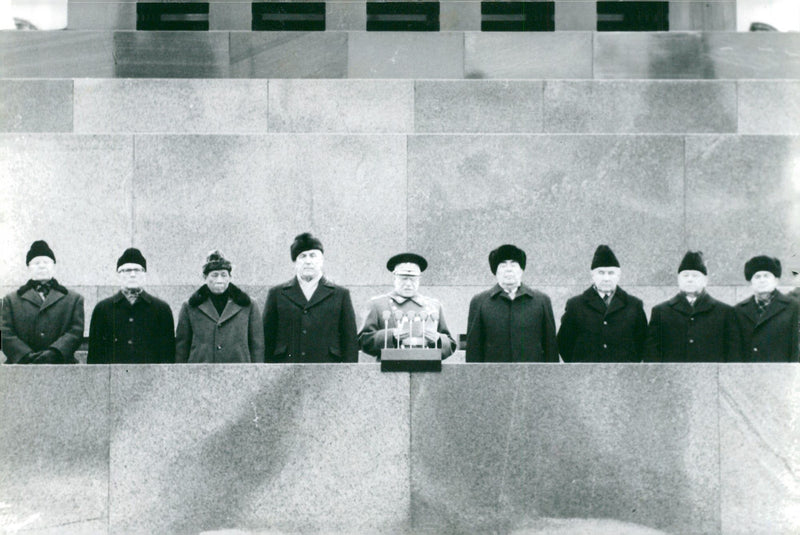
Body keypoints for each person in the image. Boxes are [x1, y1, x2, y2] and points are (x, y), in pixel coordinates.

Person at [263, 233, 358, 363]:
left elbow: (350, 341)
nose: (308, 261)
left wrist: (349, 374)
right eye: (302, 256)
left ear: (322, 260)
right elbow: (267, 339)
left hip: (327, 369)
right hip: (286, 369)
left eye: (313, 255)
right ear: (295, 262)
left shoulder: (340, 294)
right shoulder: (277, 294)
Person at [466, 244, 558, 362]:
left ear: (521, 270)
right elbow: (473, 348)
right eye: (503, 265)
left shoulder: (541, 301)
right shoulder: (480, 302)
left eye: (514, 265)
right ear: (495, 271)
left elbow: (551, 346)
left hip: (533, 375)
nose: (509, 269)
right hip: (493, 375)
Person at [645, 251, 740, 362]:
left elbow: (734, 355)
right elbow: (651, 354)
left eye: (695, 275)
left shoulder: (724, 312)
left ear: (705, 280)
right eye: (685, 275)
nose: (690, 279)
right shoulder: (661, 312)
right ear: (678, 279)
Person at [558, 245, 647, 362]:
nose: (606, 278)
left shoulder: (634, 305)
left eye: (611, 273)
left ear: (619, 275)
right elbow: (564, 343)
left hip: (623, 375)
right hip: (585, 376)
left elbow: (643, 342)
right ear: (592, 275)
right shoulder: (575, 305)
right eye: (601, 272)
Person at [359, 252, 457, 359]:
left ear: (419, 279)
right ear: (394, 278)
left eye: (413, 279)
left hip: (427, 366)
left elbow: (451, 344)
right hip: (390, 368)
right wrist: (391, 336)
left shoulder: (434, 305)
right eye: (403, 278)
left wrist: (438, 339)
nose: (408, 284)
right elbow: (363, 341)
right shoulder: (377, 305)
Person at [1, 240, 84, 364]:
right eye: (36, 263)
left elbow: (76, 331)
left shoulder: (73, 299)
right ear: (28, 268)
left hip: (62, 364)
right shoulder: (11, 300)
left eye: (46, 262)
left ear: (54, 266)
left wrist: (55, 352)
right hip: (21, 366)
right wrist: (25, 355)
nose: (41, 266)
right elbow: (5, 332)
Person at [87, 248, 175, 364]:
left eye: (137, 270)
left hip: (151, 378)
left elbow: (168, 355)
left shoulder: (161, 309)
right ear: (118, 275)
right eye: (127, 270)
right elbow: (94, 354)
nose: (132, 275)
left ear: (145, 275)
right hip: (113, 379)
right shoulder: (103, 309)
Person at [175, 250, 263, 363]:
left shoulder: (248, 305)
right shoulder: (190, 307)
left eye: (223, 275)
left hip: (239, 373)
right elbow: (182, 347)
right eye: (214, 275)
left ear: (230, 277)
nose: (219, 279)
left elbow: (257, 346)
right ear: (205, 277)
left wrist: (257, 373)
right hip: (200, 372)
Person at [734, 255, 799, 362]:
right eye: (757, 277)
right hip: (748, 373)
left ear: (776, 280)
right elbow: (735, 350)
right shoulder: (739, 310)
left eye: (766, 276)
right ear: (751, 282)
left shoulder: (793, 307)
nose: (762, 280)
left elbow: (796, 348)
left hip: (781, 373)